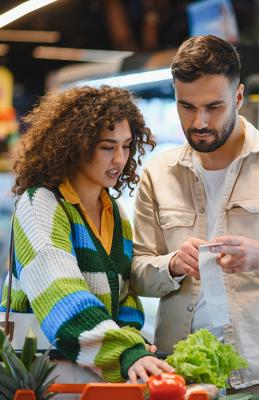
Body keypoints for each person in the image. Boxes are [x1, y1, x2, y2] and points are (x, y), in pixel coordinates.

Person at [131, 35, 259, 396]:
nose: (200, 121)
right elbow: (137, 273)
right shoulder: (157, 173)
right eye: (187, 107)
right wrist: (174, 265)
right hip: (176, 369)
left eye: (214, 106)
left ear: (238, 97)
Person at [0, 85, 173, 385]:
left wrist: (135, 345)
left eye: (127, 145)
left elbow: (125, 297)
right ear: (75, 145)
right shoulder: (40, 203)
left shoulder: (116, 213)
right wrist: (124, 352)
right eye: (108, 147)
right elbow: (59, 293)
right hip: (47, 378)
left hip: (96, 376)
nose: (120, 159)